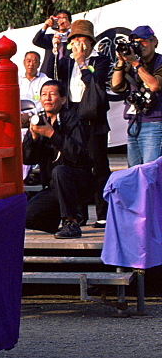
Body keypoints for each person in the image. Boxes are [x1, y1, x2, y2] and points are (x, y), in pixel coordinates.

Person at [57, 20, 111, 226]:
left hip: (94, 118)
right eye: (75, 40)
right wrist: (56, 50)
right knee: (74, 164)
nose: (79, 43)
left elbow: (95, 84)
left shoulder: (100, 61)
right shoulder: (66, 62)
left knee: (98, 166)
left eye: (82, 39)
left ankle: (103, 214)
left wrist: (82, 63)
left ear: (91, 42)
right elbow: (51, 76)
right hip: (73, 117)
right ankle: (78, 214)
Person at [23, 80, 93, 238]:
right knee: (27, 216)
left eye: (52, 94)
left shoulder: (75, 120)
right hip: (54, 186)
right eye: (43, 95)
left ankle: (71, 222)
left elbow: (77, 154)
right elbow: (27, 159)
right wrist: (33, 137)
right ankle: (55, 222)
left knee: (61, 171)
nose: (47, 98)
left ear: (63, 99)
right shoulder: (40, 120)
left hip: (79, 181)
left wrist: (51, 134)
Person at [110, 25, 162, 167]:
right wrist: (121, 62)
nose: (140, 45)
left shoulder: (159, 62)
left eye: (143, 41)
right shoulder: (133, 64)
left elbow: (154, 85)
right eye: (136, 42)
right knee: (134, 170)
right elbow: (115, 86)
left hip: (154, 122)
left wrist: (135, 63)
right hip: (134, 122)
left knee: (150, 170)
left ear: (154, 42)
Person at [33, 10, 72, 79]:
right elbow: (36, 41)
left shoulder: (73, 38)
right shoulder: (50, 38)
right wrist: (45, 26)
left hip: (67, 75)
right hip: (49, 73)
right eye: (59, 18)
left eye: (64, 18)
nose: (61, 21)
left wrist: (72, 28)